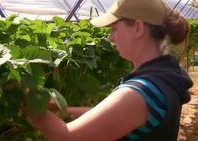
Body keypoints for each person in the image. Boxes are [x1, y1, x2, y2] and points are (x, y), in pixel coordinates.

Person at [24, 0, 193, 140]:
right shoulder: (163, 77)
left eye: (114, 29)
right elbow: (114, 116)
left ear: (138, 28)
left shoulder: (139, 92)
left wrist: (26, 101)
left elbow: (66, 137)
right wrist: (63, 110)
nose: (110, 37)